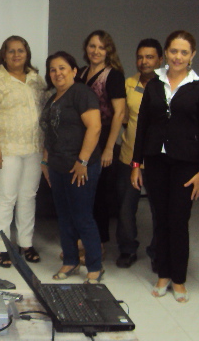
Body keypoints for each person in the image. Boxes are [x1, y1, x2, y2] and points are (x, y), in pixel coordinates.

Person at [131, 30, 199, 303]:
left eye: (184, 52)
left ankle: (178, 279)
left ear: (192, 56)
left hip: (186, 165)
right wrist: (136, 164)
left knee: (178, 220)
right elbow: (142, 125)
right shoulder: (154, 84)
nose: (178, 57)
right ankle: (163, 274)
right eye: (174, 51)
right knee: (161, 219)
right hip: (155, 161)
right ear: (166, 53)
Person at [0, 36, 46, 267]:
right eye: (11, 51)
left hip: (34, 148)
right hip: (5, 149)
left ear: (27, 53)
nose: (16, 55)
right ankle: (2, 247)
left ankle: (26, 243)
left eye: (20, 51)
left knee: (28, 196)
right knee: (6, 197)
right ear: (3, 55)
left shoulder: (37, 80)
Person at [40, 51, 104, 284]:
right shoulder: (53, 98)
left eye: (62, 68)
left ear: (74, 70)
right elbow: (50, 133)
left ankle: (95, 265)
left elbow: (94, 128)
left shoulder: (82, 93)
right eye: (53, 69)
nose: (57, 73)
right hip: (57, 167)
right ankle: (70, 260)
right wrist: (45, 163)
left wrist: (82, 161)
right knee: (64, 216)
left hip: (81, 167)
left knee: (82, 216)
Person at [114, 38, 163, 269]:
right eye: (140, 57)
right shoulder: (128, 84)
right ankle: (127, 249)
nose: (144, 62)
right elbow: (124, 120)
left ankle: (157, 251)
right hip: (128, 157)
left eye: (150, 57)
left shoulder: (167, 85)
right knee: (125, 208)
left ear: (160, 60)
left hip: (158, 160)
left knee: (159, 209)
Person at [76, 30, 126, 250]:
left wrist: (109, 149)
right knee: (81, 193)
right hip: (81, 138)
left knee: (100, 195)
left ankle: (100, 244)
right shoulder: (81, 72)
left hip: (103, 138)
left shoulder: (113, 75)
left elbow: (119, 113)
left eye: (101, 47)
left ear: (108, 51)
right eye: (92, 46)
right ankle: (81, 240)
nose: (96, 51)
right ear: (86, 48)